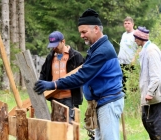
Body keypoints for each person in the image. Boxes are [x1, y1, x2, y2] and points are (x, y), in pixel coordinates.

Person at [34, 8, 124, 140]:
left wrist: (53, 84)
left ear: (96, 29)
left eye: (84, 32)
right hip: (101, 102)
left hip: (108, 103)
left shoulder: (103, 51)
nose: (81, 35)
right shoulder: (96, 48)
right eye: (80, 32)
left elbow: (81, 76)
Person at [39, 31, 84, 122]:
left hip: (69, 98)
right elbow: (43, 74)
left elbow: (83, 75)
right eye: (52, 45)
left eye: (56, 44)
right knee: (56, 126)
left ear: (63, 41)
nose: (54, 47)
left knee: (69, 126)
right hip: (54, 98)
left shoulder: (75, 56)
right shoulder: (50, 57)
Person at [133, 26, 161, 140]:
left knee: (157, 131)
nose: (134, 40)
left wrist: (150, 93)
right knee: (148, 125)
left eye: (136, 38)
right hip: (148, 99)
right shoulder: (145, 50)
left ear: (141, 38)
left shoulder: (151, 50)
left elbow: (156, 76)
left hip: (155, 99)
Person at [118, 17, 137, 94]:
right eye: (125, 23)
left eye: (128, 23)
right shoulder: (124, 34)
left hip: (132, 62)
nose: (127, 25)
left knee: (133, 82)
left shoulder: (135, 34)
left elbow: (139, 48)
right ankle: (123, 97)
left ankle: (134, 97)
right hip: (122, 62)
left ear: (133, 24)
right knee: (122, 81)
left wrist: (134, 59)